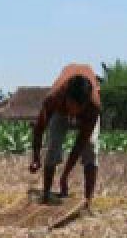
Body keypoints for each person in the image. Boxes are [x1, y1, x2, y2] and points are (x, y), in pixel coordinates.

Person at [29, 63, 101, 210]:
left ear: (85, 103)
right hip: (59, 112)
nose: (73, 112)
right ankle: (46, 194)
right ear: (66, 95)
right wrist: (36, 158)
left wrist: (65, 175)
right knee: (53, 147)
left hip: (86, 116)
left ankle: (88, 202)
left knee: (91, 147)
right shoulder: (53, 98)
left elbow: (80, 144)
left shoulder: (94, 106)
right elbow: (39, 128)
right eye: (71, 106)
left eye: (78, 108)